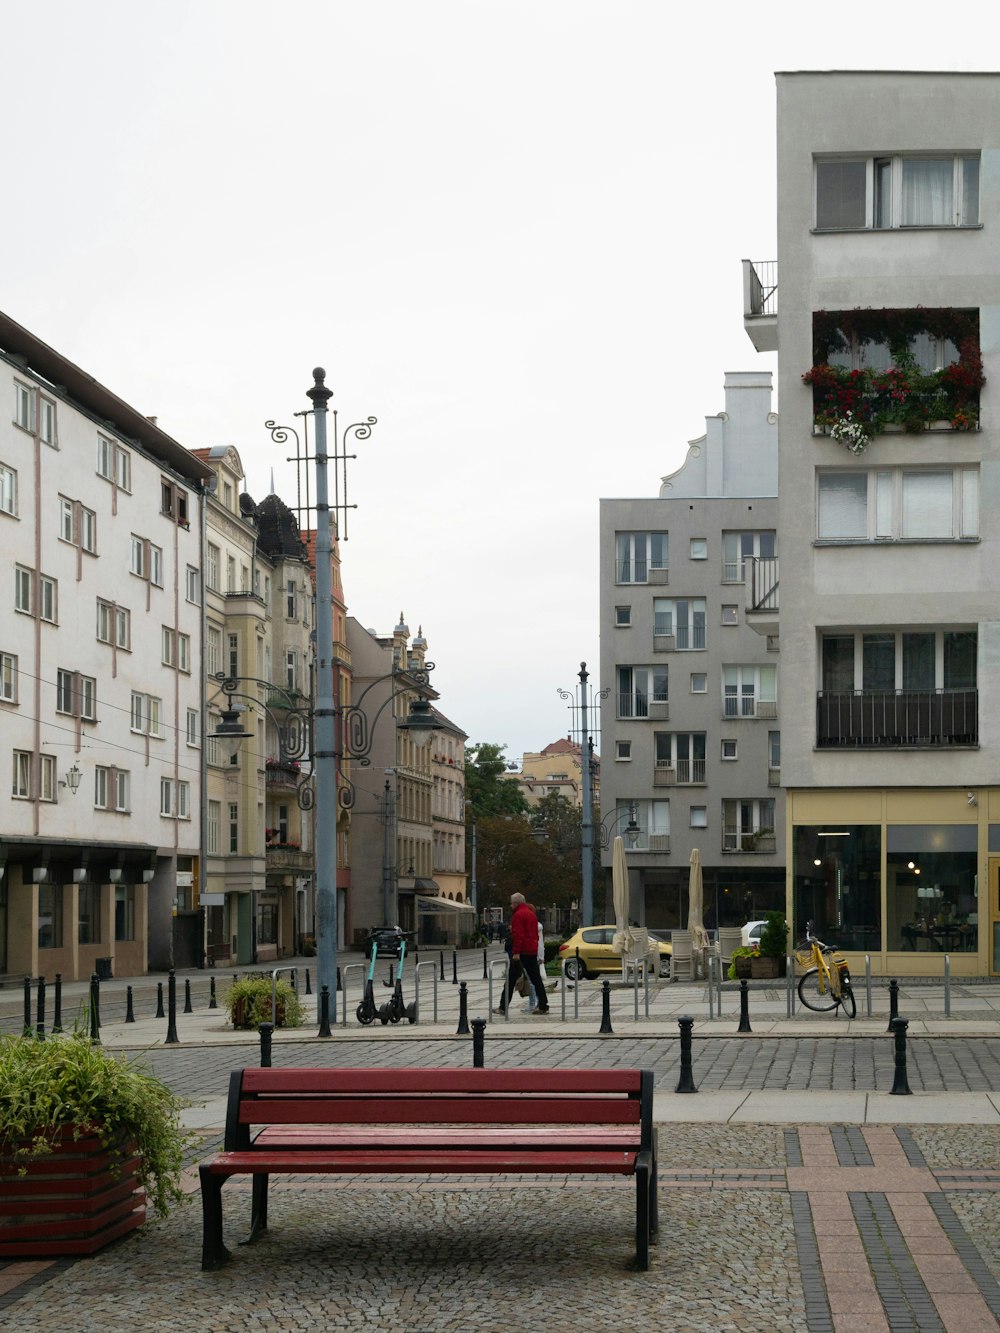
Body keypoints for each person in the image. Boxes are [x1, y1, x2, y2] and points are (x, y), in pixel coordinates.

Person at [495, 892, 549, 1015]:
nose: (510, 905)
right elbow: (534, 934)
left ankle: (503, 1007)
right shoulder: (531, 914)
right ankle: (543, 1004)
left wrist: (516, 952)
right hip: (531, 951)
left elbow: (519, 935)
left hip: (522, 952)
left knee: (511, 979)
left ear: (516, 903)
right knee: (536, 979)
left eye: (512, 903)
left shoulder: (518, 915)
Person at [526, 910, 546, 1012]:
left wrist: (540, 957)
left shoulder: (534, 927)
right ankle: (538, 1002)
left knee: (533, 982)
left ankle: (533, 1003)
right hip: (537, 955)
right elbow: (541, 943)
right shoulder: (538, 927)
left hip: (533, 955)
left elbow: (538, 943)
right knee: (536, 981)